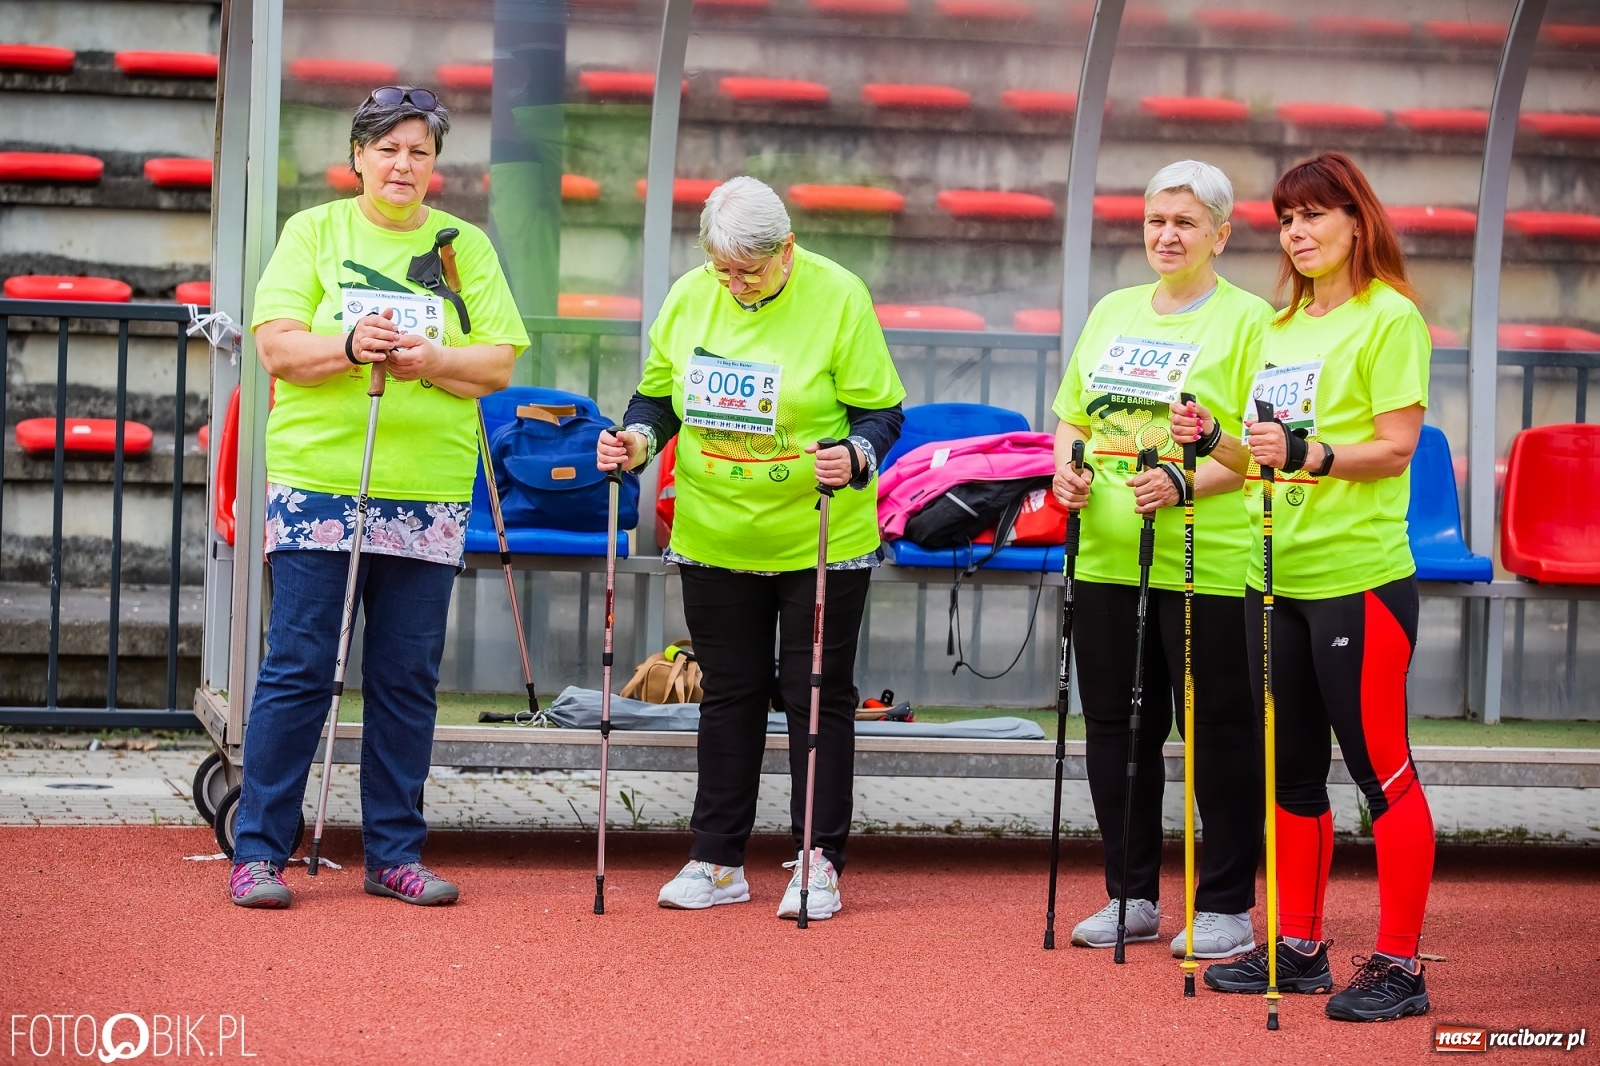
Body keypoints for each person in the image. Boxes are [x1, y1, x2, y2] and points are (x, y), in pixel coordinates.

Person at [229, 85, 529, 908]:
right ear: (358, 155)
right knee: (298, 670)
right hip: (322, 484)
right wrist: (350, 343)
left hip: (428, 491)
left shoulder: (464, 245)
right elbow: (278, 347)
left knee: (406, 678)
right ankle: (259, 851)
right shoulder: (313, 232)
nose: (403, 165)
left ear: (435, 165)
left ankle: (394, 853)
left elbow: (499, 362)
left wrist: (430, 360)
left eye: (419, 152)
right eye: (388, 149)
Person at [596, 176, 904, 921]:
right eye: (722, 269)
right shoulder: (690, 294)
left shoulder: (838, 295)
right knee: (728, 695)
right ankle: (716, 857)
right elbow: (658, 398)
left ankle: (818, 860)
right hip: (714, 528)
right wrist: (636, 440)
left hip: (818, 536)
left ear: (787, 250)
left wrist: (857, 454)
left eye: (750, 272)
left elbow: (882, 413)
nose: (733, 284)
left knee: (815, 697)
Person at [1173, 151, 1435, 1021]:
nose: (1297, 231)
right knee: (1291, 776)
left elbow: (1396, 447)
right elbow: (1261, 457)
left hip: (1357, 582)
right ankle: (1301, 947)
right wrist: (1213, 438)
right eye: (1286, 218)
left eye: (1315, 214)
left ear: (1356, 222)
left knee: (1381, 774)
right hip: (1269, 580)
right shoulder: (1278, 330)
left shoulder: (1389, 318)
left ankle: (1400, 965)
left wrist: (1315, 455)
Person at [1050, 161, 1269, 959]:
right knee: (1117, 728)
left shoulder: (1252, 322)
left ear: (1221, 233)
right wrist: (1065, 471)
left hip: (1207, 564)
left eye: (1185, 222)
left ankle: (1225, 906)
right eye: (1155, 221)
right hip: (1107, 558)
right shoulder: (1111, 310)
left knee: (1218, 731)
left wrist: (1184, 482)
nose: (1167, 235)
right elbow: (1071, 419)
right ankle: (1131, 895)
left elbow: (1257, 452)